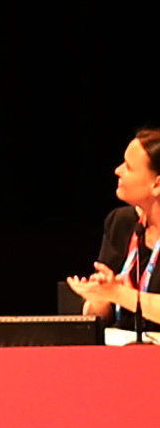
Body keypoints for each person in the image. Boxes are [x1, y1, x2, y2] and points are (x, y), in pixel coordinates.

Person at [66, 129, 160, 328]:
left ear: (157, 185)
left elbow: (119, 294)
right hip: (121, 350)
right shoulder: (121, 223)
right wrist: (98, 299)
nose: (118, 170)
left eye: (129, 166)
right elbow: (98, 316)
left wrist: (118, 294)